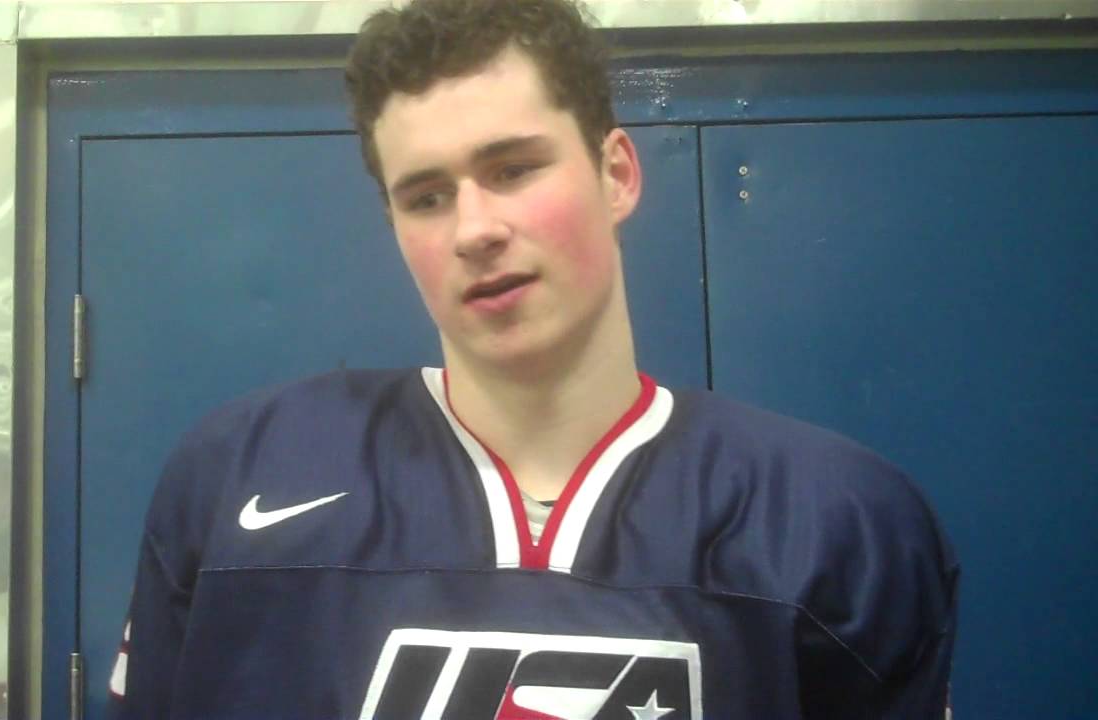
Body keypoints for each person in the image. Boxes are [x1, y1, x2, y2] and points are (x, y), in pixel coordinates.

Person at [108, 0, 959, 717]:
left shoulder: (837, 523)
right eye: (428, 195)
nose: (474, 228)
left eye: (513, 169)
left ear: (617, 174)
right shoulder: (237, 479)